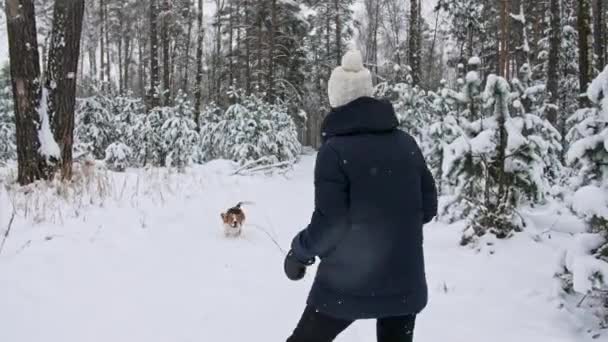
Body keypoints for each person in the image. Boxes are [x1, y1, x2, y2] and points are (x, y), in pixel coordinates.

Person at [283, 50, 438, 342]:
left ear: (336, 99)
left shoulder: (335, 151)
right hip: (404, 283)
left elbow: (331, 224)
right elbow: (428, 208)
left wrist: (299, 252)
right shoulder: (406, 143)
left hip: (347, 284)